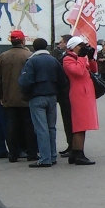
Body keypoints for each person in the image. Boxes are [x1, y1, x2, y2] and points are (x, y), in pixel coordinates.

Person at [18, 38, 67, 168]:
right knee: (51, 127)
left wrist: (26, 93)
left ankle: (45, 158)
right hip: (52, 96)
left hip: (37, 97)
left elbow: (25, 81)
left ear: (34, 47)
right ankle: (52, 156)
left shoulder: (32, 61)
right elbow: (63, 80)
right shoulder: (54, 61)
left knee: (41, 128)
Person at [0, 30, 37, 162]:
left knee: (11, 125)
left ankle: (13, 154)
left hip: (9, 98)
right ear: (23, 41)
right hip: (26, 97)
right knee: (29, 125)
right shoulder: (29, 55)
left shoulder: (2, 57)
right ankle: (31, 153)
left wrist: (0, 96)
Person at [63, 37, 99, 166]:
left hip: (85, 93)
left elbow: (94, 70)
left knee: (83, 125)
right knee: (80, 125)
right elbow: (77, 72)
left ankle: (75, 153)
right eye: (80, 45)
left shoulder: (80, 58)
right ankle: (78, 153)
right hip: (78, 94)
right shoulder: (68, 59)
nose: (83, 48)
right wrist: (83, 57)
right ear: (73, 47)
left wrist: (91, 57)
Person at [53, 35, 74, 156]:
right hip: (63, 93)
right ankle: (70, 144)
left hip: (67, 93)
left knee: (70, 120)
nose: (58, 44)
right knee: (67, 121)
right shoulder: (63, 55)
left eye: (61, 42)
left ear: (67, 43)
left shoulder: (68, 57)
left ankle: (73, 146)